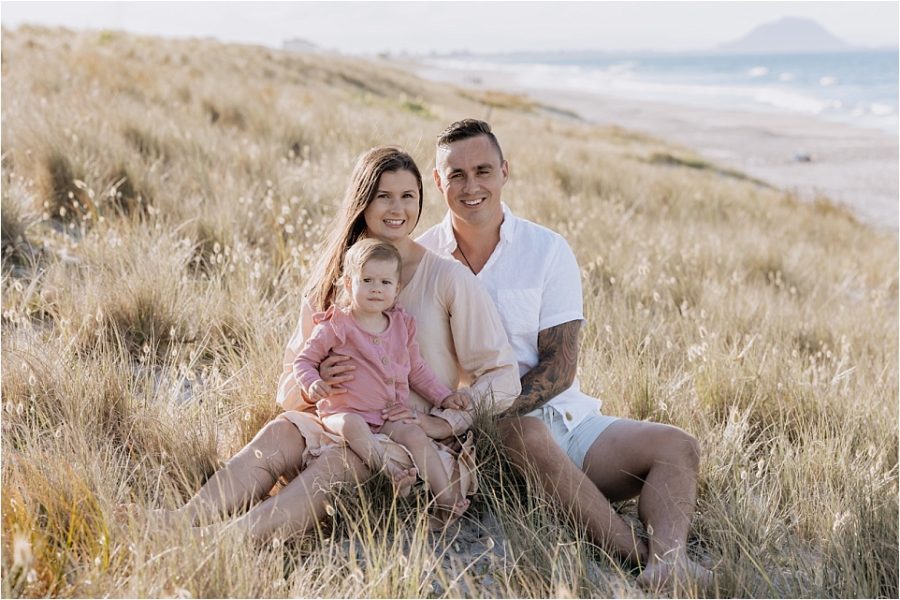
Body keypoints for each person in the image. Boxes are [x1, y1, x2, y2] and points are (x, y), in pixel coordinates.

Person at [124, 146, 520, 540]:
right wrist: (317, 380)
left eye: (408, 196)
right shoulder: (334, 279)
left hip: (404, 439)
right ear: (362, 200)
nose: (397, 208)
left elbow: (502, 376)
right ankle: (182, 520)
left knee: (343, 460)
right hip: (338, 418)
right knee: (279, 432)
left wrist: (445, 421)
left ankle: (227, 541)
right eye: (383, 196)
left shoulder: (448, 279)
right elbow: (290, 381)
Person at [417, 119, 710, 590]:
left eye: (483, 171)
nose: (471, 186)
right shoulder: (420, 257)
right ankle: (635, 556)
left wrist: (492, 405)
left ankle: (669, 562)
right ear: (438, 181)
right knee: (525, 432)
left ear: (505, 172)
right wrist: (470, 416)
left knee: (677, 446)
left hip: (562, 419)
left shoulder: (546, 250)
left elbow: (560, 367)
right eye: (457, 174)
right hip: (476, 437)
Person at [293, 237, 473, 526]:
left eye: (386, 282)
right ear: (349, 284)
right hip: (342, 413)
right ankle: (391, 473)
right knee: (353, 426)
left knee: (414, 435)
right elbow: (303, 361)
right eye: (367, 280)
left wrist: (443, 397)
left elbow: (417, 370)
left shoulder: (402, 326)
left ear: (397, 289)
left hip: (387, 414)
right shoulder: (336, 325)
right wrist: (312, 382)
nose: (377, 288)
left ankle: (446, 501)